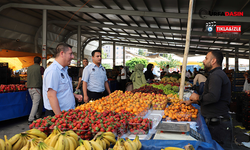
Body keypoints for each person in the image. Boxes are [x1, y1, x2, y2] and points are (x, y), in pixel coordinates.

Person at [181, 50, 232, 149]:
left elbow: (213, 97)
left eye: (206, 58)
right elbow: (213, 97)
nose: (204, 61)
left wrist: (198, 97)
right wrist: (194, 101)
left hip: (218, 125)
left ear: (213, 61)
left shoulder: (216, 75)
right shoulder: (216, 74)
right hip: (217, 123)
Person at [43, 43, 83, 116]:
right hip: (58, 114)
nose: (73, 56)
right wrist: (60, 118)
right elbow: (51, 96)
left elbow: (61, 91)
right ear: (62, 53)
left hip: (67, 112)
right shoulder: (53, 71)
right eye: (70, 54)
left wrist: (73, 95)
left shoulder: (64, 69)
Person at [27, 56, 43, 124]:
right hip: (36, 88)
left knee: (36, 102)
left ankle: (38, 115)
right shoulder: (40, 68)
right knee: (35, 104)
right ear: (40, 62)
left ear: (33, 61)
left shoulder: (29, 68)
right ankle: (31, 118)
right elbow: (44, 78)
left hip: (29, 88)